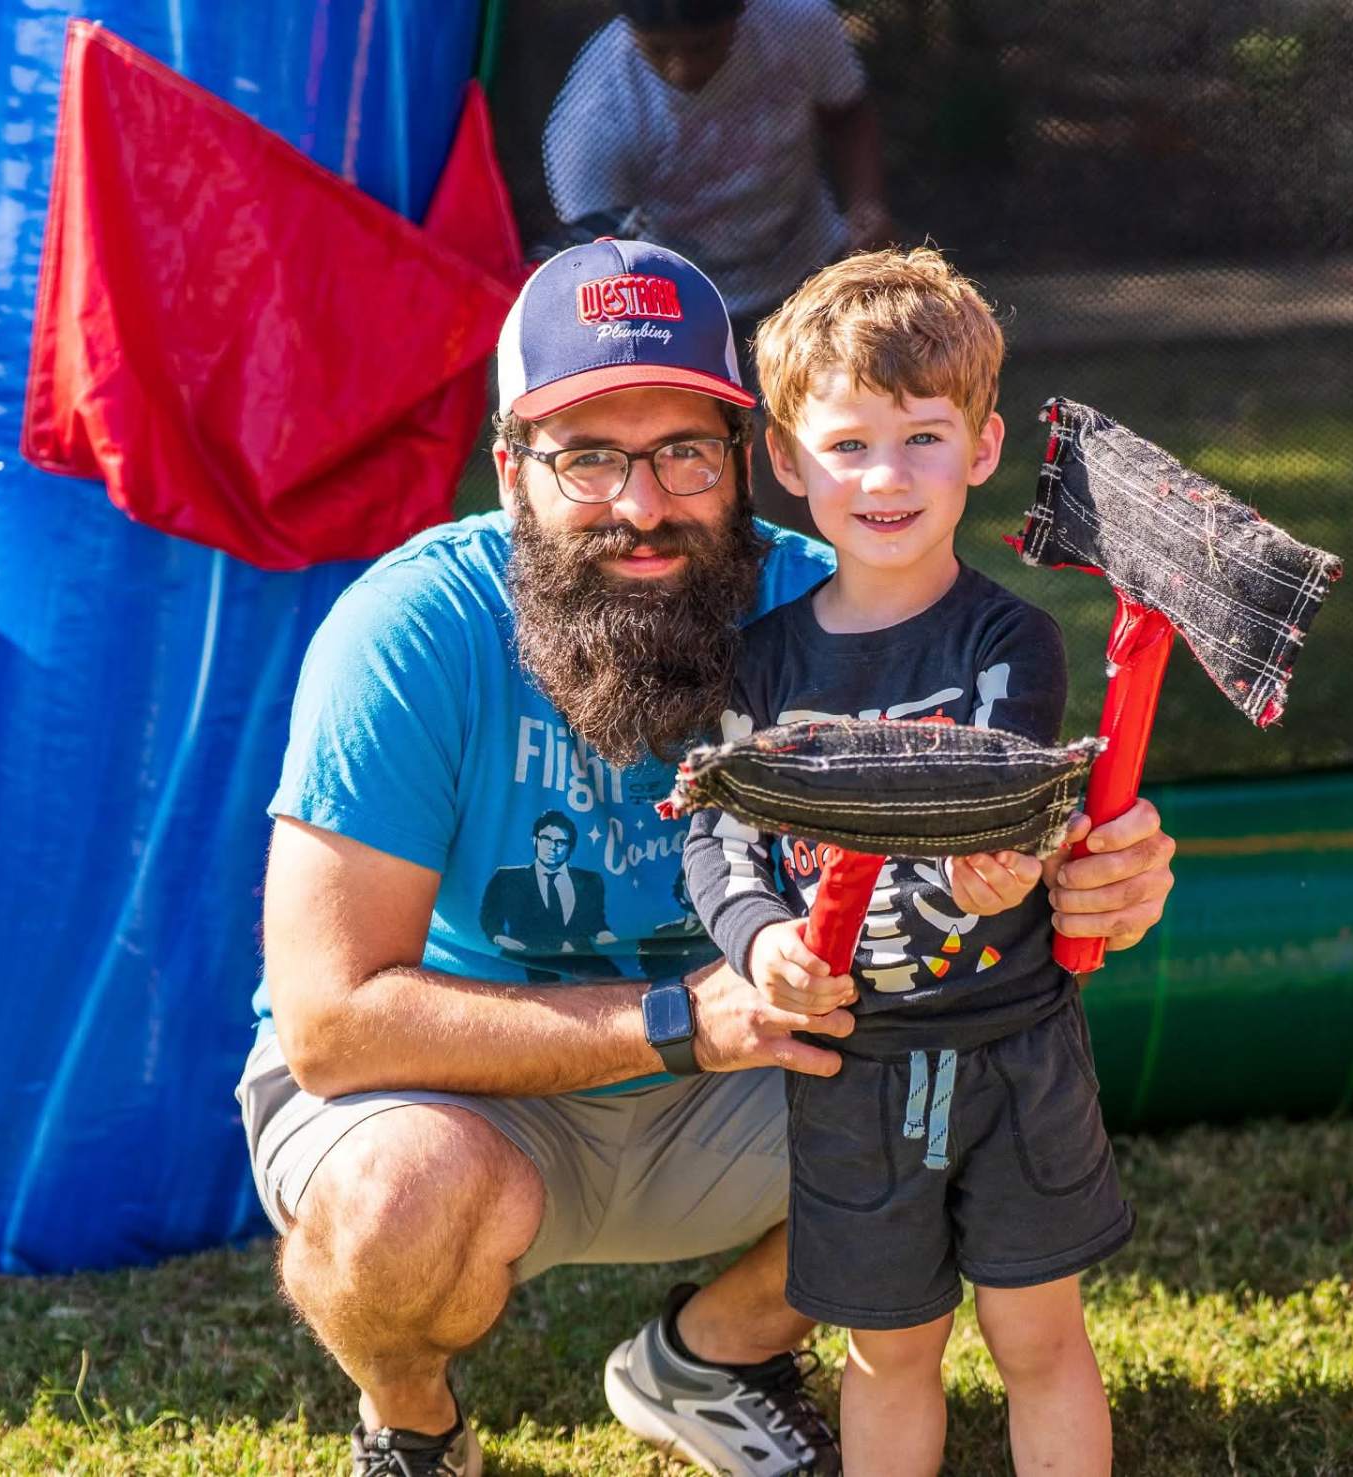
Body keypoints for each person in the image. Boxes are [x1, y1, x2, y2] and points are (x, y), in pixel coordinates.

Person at [241, 239, 1177, 1477]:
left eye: (683, 451)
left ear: (748, 462)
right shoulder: (411, 630)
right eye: (588, 456)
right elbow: (331, 1024)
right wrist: (680, 1017)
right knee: (398, 1201)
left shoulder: (845, 606)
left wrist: (1093, 872)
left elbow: (991, 855)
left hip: (762, 1067)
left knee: (966, 1079)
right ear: (512, 468)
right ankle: (413, 1426)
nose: (643, 505)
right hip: (469, 1094)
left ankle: (713, 1353)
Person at [682, 248, 1130, 1476]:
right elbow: (717, 837)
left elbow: (1004, 798)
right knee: (888, 1349)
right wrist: (764, 940)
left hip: (1012, 1048)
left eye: (925, 437)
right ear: (784, 457)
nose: (887, 476)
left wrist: (990, 874)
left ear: (983, 448)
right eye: (848, 442)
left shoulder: (1009, 638)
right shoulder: (758, 662)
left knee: (1038, 1334)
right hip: (851, 1067)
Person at [541, 0, 892, 532]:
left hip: (804, 269)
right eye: (660, 51)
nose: (682, 68)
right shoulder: (592, 116)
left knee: (824, 442)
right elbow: (598, 262)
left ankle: (841, 577)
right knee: (724, 465)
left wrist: (866, 203)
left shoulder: (799, 27)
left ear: (741, 16)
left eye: (704, 46)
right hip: (682, 301)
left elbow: (846, 113)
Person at [478, 809, 618, 979]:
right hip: (526, 959)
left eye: (561, 842)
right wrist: (499, 937)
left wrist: (605, 935)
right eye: (546, 839)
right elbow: (489, 916)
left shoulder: (590, 880)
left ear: (570, 847)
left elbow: (596, 923)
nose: (553, 847)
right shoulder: (507, 877)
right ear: (535, 840)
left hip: (582, 963)